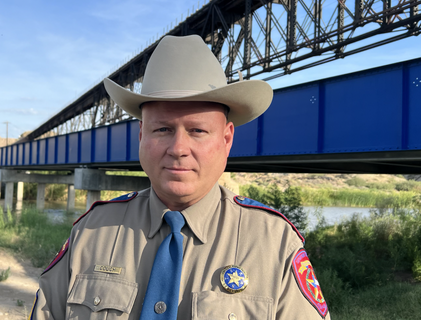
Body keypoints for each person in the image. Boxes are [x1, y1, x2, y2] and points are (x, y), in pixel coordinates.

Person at [31, 35, 329, 320]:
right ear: (141, 136)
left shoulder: (274, 244)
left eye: (197, 131)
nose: (178, 149)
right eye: (162, 129)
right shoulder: (91, 232)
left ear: (226, 140)